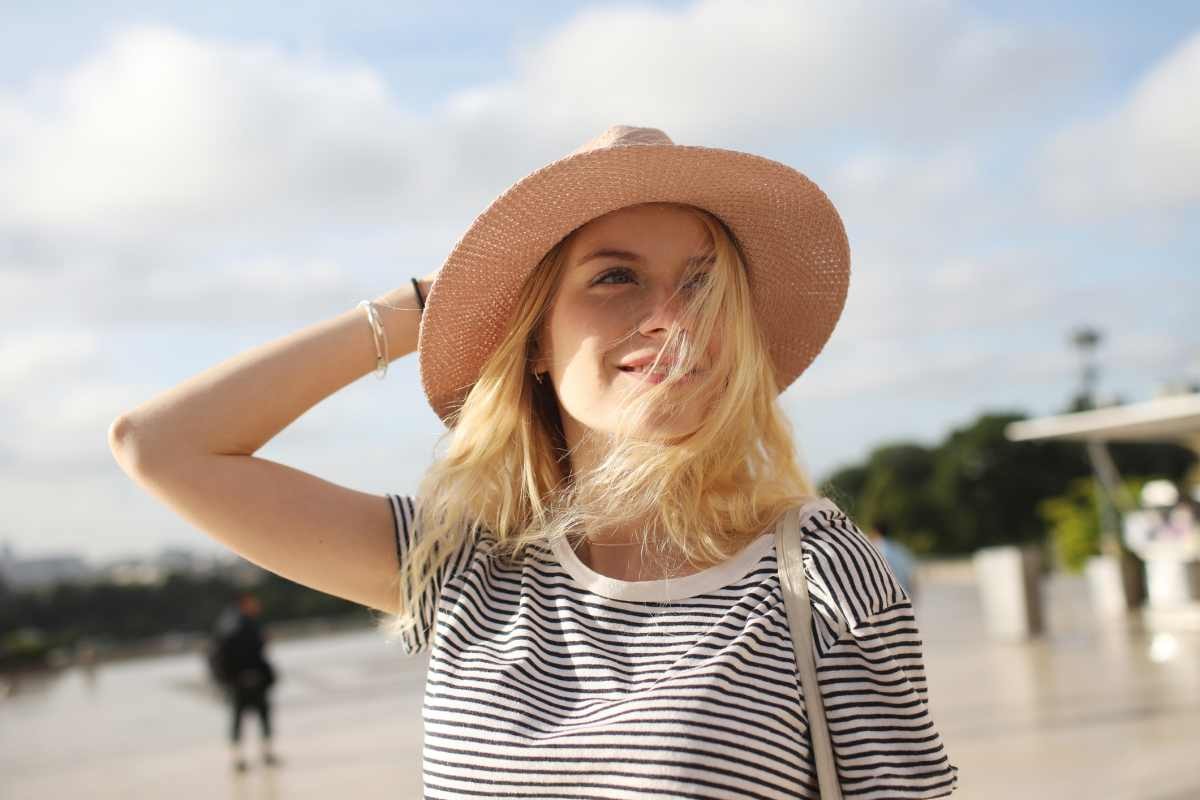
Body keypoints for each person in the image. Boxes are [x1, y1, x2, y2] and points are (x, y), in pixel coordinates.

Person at [110, 124, 959, 797]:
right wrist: (428, 308)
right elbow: (160, 446)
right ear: (536, 343)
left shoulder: (814, 569)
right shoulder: (463, 563)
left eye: (702, 284)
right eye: (615, 278)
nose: (673, 318)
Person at [209, 592, 279, 772]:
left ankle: (251, 756)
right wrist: (239, 677)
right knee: (244, 718)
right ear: (244, 603)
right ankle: (248, 756)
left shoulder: (231, 623)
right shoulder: (238, 626)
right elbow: (229, 655)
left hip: (243, 680)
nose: (257, 606)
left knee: (244, 719)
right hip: (242, 681)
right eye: (253, 602)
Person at [868, 520, 920, 603]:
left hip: (882, 602)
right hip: (903, 599)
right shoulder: (901, 549)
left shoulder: (871, 550)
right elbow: (912, 576)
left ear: (874, 531)